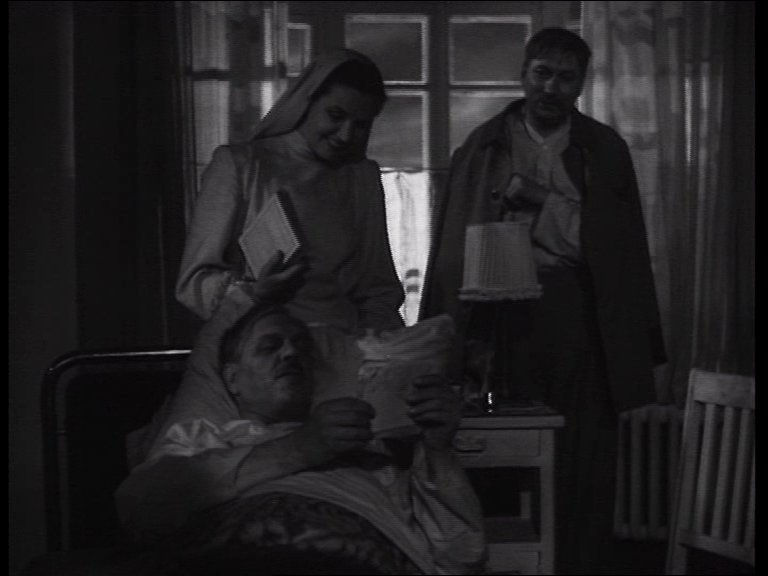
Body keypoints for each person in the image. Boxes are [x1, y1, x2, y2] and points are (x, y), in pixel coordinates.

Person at [419, 28, 666, 574]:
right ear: (524, 74)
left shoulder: (603, 149)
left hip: (581, 316)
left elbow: (617, 249)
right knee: (503, 450)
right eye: (542, 73)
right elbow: (454, 247)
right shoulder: (484, 146)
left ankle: (575, 563)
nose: (551, 88)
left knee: (583, 451)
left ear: (581, 85)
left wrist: (541, 201)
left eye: (565, 78)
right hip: (499, 320)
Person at [117, 253, 487, 575]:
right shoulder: (203, 439)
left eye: (301, 348)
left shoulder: (373, 455)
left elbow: (460, 556)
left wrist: (438, 451)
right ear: (232, 379)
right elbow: (139, 509)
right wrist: (302, 448)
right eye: (269, 346)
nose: (290, 354)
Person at [176, 48, 405, 334]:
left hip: (343, 346)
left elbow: (378, 287)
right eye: (335, 115)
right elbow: (194, 282)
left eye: (361, 125)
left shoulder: (362, 177)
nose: (346, 135)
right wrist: (254, 294)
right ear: (306, 102)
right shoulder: (241, 166)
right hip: (260, 343)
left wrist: (374, 344)